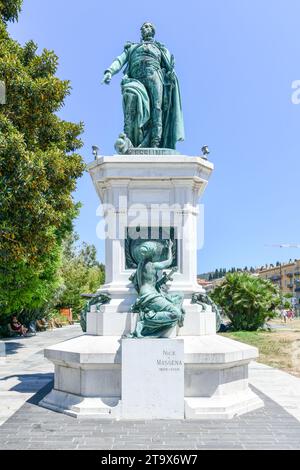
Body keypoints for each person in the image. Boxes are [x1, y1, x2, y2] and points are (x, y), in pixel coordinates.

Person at [102, 22, 184, 149]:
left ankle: (155, 143)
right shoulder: (132, 48)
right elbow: (120, 60)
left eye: (148, 26)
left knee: (157, 109)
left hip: (155, 75)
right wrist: (109, 71)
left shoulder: (160, 48)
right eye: (143, 27)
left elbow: (168, 67)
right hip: (135, 79)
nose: (144, 28)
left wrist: (170, 73)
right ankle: (129, 139)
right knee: (130, 101)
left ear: (153, 30)